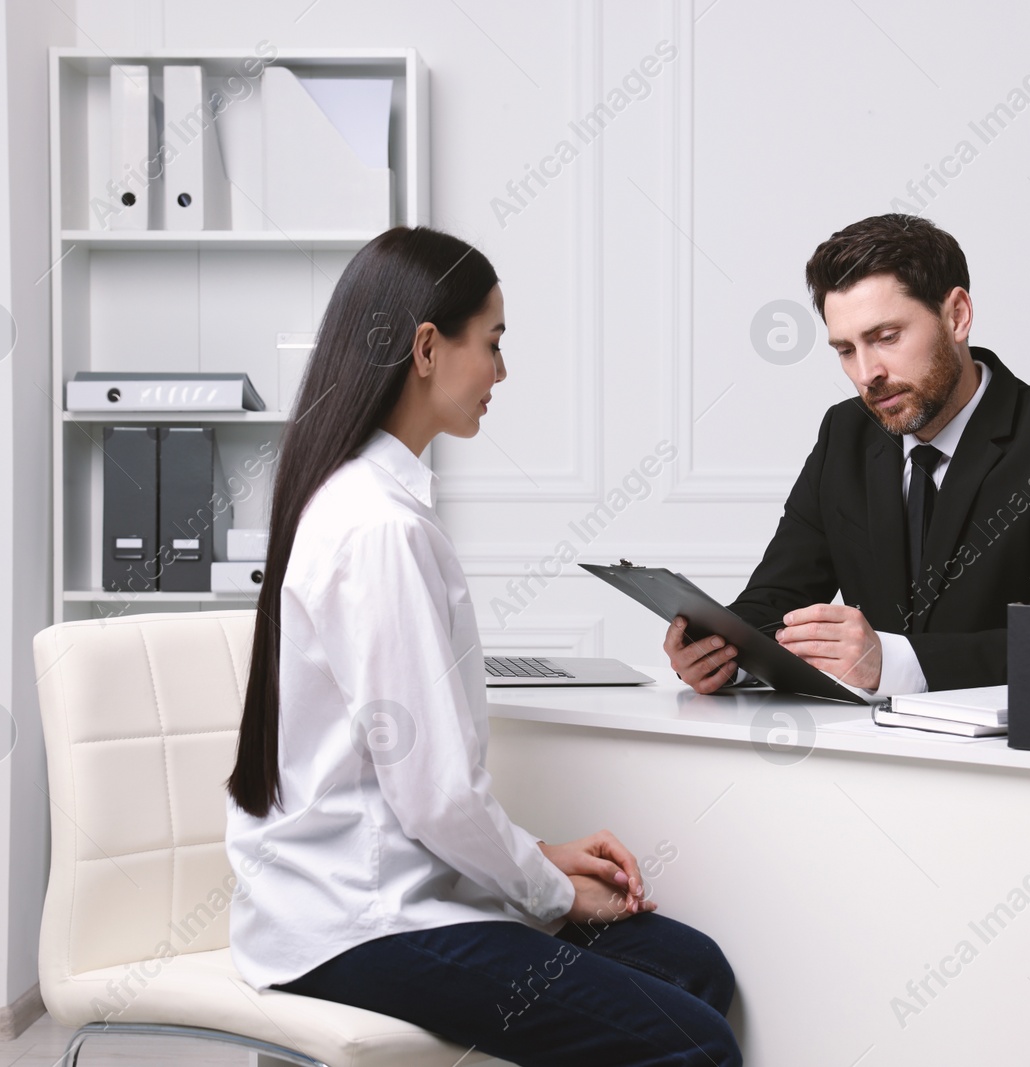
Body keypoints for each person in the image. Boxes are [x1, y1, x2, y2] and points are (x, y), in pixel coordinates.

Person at [225, 226, 741, 1067]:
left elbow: (414, 791)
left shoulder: (359, 499)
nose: (501, 372)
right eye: (493, 343)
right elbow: (433, 798)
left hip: (370, 895)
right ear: (428, 348)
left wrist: (537, 856)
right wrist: (551, 888)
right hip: (357, 923)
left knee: (691, 967)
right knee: (698, 1042)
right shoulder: (378, 529)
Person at [667, 213, 1030, 697]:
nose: (867, 372)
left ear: (956, 315)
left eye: (886, 337)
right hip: (863, 747)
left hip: (1010, 758)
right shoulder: (844, 433)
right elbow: (776, 601)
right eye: (846, 350)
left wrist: (889, 663)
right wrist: (721, 655)